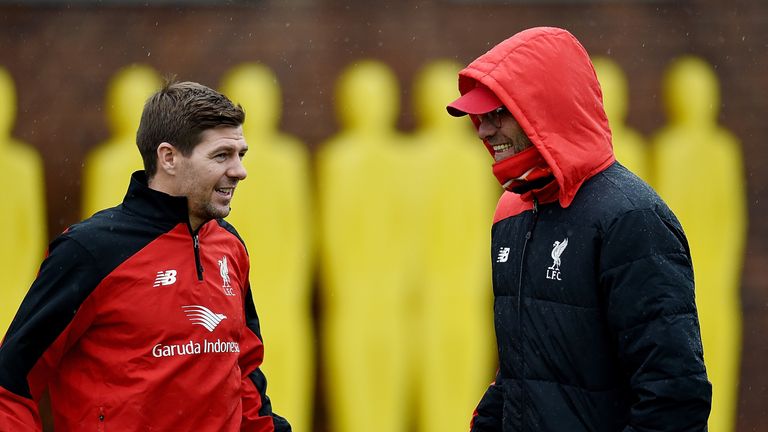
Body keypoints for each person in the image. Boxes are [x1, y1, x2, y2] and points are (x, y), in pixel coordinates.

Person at [446, 27, 711, 431]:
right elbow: (523, 375)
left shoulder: (631, 218)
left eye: (498, 112)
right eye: (480, 117)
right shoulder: (513, 212)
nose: (482, 129)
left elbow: (673, 397)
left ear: (544, 107)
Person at [0, 80, 291, 432]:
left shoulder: (229, 246)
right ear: (168, 157)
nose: (239, 171)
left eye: (240, 154)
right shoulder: (90, 251)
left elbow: (244, 373)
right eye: (221, 156)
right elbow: (11, 382)